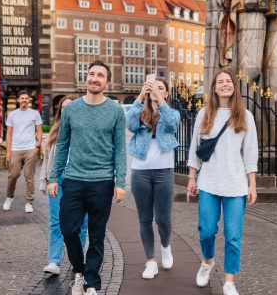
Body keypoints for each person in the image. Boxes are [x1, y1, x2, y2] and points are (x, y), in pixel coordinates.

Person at [48, 60, 127, 295]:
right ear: (86, 78)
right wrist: (53, 177)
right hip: (73, 178)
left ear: (107, 82)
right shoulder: (71, 109)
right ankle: (80, 271)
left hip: (102, 181)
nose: (94, 78)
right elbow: (61, 145)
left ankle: (91, 283)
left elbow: (120, 149)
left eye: (100, 75)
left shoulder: (115, 110)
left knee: (96, 234)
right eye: (91, 74)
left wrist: (120, 182)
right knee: (69, 229)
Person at [187, 70, 258, 295]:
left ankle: (229, 281)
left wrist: (252, 183)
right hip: (208, 182)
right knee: (206, 231)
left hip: (236, 185)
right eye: (220, 82)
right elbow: (194, 148)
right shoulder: (204, 114)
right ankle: (208, 261)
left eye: (228, 81)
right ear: (214, 88)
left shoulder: (245, 115)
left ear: (234, 87)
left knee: (233, 235)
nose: (225, 84)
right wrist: (191, 176)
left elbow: (250, 153)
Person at [126, 77, 180, 279]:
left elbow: (173, 125)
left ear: (166, 93)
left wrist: (160, 101)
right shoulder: (141, 112)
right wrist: (141, 96)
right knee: (145, 219)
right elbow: (130, 124)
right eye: (153, 88)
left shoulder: (171, 113)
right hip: (140, 171)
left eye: (161, 88)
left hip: (164, 171)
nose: (156, 91)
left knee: (163, 219)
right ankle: (150, 261)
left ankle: (165, 246)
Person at [38, 95, 87, 277]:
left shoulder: (84, 130)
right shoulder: (55, 132)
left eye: (70, 107)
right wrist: (46, 181)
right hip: (57, 179)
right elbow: (46, 160)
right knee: (56, 221)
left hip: (80, 178)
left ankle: (78, 263)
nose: (67, 110)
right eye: (64, 108)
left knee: (81, 223)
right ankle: (54, 261)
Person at [3, 90, 43, 213]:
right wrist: (8, 151)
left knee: (29, 176)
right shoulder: (12, 115)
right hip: (15, 148)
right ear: (18, 100)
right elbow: (8, 134)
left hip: (30, 148)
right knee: (13, 175)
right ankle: (9, 197)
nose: (24, 100)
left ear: (28, 100)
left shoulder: (34, 114)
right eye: (22, 98)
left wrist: (37, 146)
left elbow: (39, 131)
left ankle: (29, 202)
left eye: (26, 98)